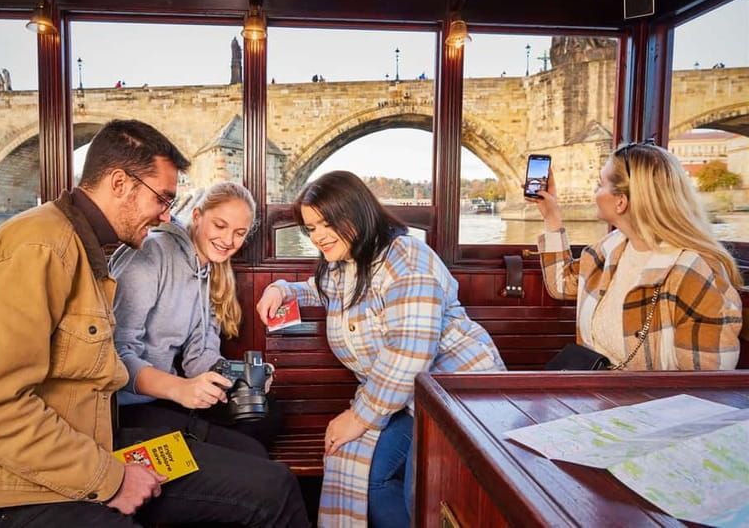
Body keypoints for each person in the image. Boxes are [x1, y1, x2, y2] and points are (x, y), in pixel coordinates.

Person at [0, 119, 308, 527]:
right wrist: (113, 477)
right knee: (271, 490)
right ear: (120, 183)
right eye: (162, 199)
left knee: (265, 473)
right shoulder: (39, 250)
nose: (165, 216)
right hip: (17, 486)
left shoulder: (84, 247)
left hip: (91, 438)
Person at [256, 170, 505, 527]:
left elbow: (410, 355)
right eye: (311, 228)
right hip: (409, 403)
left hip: (459, 402)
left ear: (357, 212)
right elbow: (318, 290)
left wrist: (358, 418)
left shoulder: (406, 260)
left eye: (327, 223)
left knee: (422, 497)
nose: (319, 237)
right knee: (368, 478)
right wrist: (281, 288)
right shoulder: (344, 262)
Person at [529, 141, 742, 370]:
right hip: (593, 390)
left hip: (649, 402)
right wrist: (551, 215)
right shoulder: (611, 248)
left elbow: (705, 385)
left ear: (621, 201)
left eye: (600, 184)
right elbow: (562, 284)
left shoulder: (694, 273)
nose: (594, 191)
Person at [110, 181, 282, 452]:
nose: (228, 241)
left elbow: (199, 357)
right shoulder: (150, 253)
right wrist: (179, 389)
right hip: (125, 405)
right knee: (250, 451)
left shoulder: (211, 272)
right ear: (197, 216)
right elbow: (114, 354)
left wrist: (244, 377)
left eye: (239, 233)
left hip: (169, 395)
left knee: (267, 416)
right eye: (220, 226)